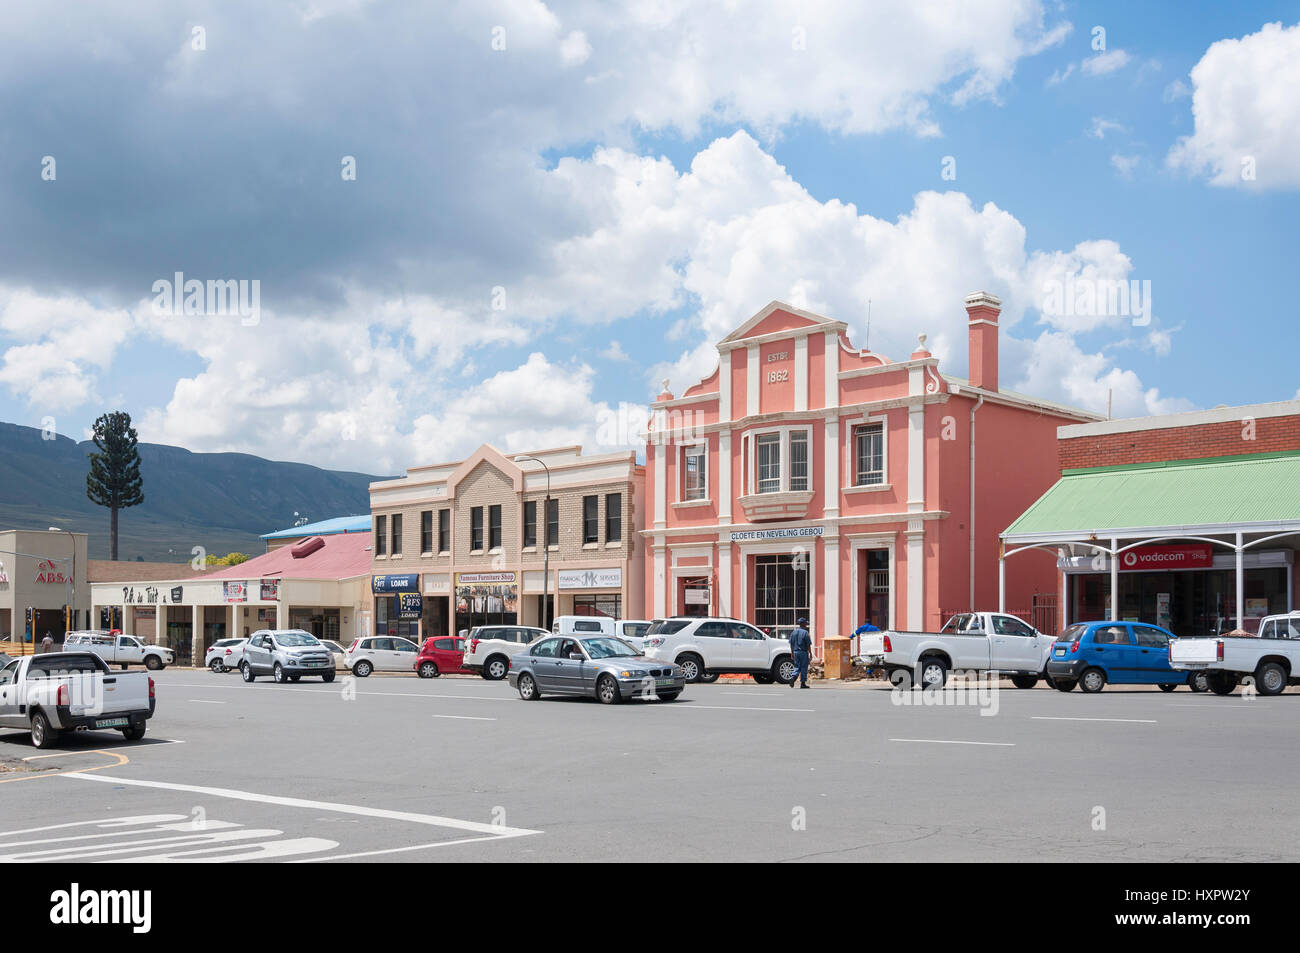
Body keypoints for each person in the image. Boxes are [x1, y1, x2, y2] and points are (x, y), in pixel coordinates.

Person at [788, 617, 812, 689]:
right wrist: (810, 653)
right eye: (805, 623)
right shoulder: (805, 632)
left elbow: (791, 644)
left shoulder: (794, 632)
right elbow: (808, 644)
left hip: (795, 652)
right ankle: (803, 683)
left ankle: (793, 677)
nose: (806, 625)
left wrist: (792, 653)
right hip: (803, 652)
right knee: (804, 667)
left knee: (797, 666)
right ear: (803, 624)